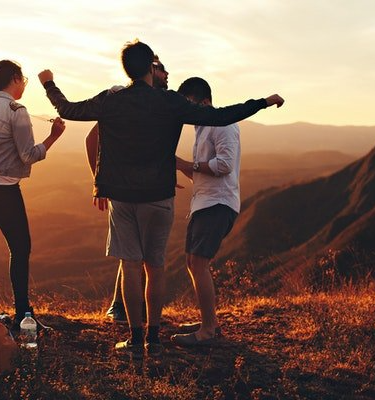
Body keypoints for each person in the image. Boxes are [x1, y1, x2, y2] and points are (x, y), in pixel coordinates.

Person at [38, 40, 284, 359]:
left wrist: (49, 84)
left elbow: (68, 109)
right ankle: (154, 338)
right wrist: (263, 102)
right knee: (156, 267)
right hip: (159, 195)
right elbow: (222, 116)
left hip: (123, 197)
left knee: (130, 267)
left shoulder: (112, 100)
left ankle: (135, 340)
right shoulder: (169, 102)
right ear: (150, 68)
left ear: (127, 68)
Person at [0, 60, 65, 331]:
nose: (23, 87)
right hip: (2, 185)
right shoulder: (16, 110)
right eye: (23, 81)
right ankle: (23, 314)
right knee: (20, 247)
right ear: (14, 79)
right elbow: (28, 155)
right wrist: (54, 136)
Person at [85, 55, 169, 324]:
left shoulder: (156, 103)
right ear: (149, 71)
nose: (168, 74)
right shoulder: (123, 99)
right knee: (132, 256)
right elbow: (92, 137)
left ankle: (131, 312)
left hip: (145, 186)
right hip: (125, 188)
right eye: (161, 69)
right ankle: (121, 308)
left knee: (137, 255)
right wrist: (99, 181)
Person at [170, 77, 242, 347]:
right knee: (193, 262)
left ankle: (208, 330)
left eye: (187, 104)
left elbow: (223, 165)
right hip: (204, 202)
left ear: (203, 101)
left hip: (218, 204)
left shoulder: (221, 124)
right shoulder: (202, 127)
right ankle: (207, 321)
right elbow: (202, 172)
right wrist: (179, 166)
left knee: (198, 263)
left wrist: (189, 163)